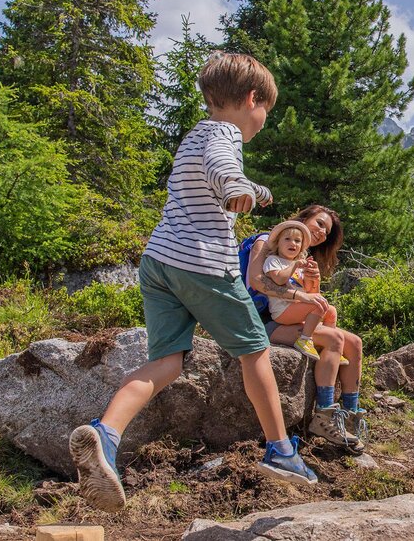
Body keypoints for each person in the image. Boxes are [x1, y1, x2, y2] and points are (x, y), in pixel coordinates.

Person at [68, 52, 317, 513]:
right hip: (202, 264)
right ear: (250, 99)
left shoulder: (194, 136)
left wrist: (254, 190)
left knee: (167, 361)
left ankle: (105, 434)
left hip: (159, 261)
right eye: (266, 111)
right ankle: (282, 452)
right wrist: (238, 189)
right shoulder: (225, 135)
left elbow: (211, 173)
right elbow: (224, 169)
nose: (263, 121)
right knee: (255, 351)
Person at [247, 205, 367, 453]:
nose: (322, 233)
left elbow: (313, 298)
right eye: (320, 224)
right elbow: (257, 282)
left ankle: (350, 416)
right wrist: (298, 295)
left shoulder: (300, 256)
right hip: (265, 320)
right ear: (304, 219)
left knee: (354, 343)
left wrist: (313, 280)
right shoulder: (267, 243)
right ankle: (324, 416)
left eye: (327, 232)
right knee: (333, 338)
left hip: (293, 318)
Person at [261, 220, 334, 361]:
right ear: (278, 243)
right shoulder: (273, 260)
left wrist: (310, 276)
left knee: (331, 311)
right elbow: (279, 280)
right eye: (287, 239)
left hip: (295, 307)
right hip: (282, 310)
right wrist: (294, 265)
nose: (292, 243)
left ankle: (329, 340)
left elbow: (309, 291)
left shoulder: (299, 264)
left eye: (297, 241)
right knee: (316, 304)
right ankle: (305, 339)